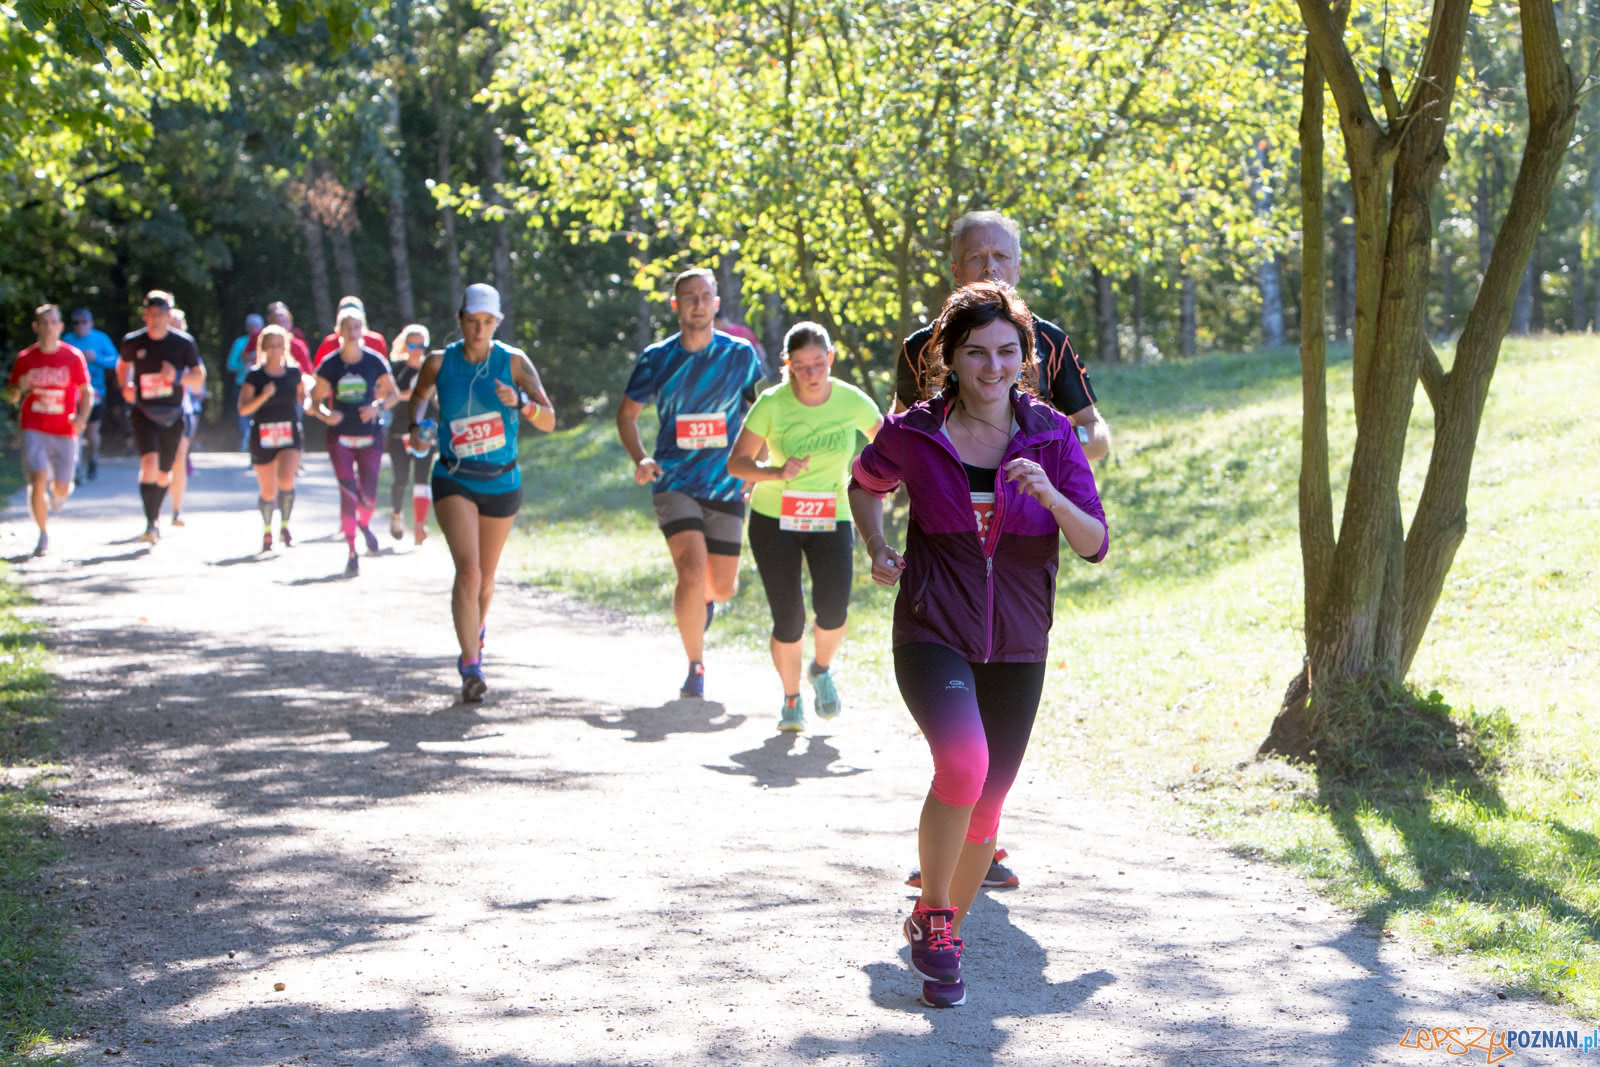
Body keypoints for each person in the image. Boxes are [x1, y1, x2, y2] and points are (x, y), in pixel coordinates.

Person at [849, 282, 1107, 1009]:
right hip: (933, 627)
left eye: (1007, 352)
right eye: (975, 353)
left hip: (1020, 642)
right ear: (949, 360)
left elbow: (1096, 542)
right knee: (962, 763)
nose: (993, 367)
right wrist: (876, 541)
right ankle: (936, 918)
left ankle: (941, 932)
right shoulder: (914, 431)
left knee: (988, 808)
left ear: (1026, 358)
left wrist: (1052, 497)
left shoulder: (1051, 434)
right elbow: (864, 485)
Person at [898, 209, 1113, 893]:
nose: (991, 268)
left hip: (1027, 550)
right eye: (977, 257)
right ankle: (954, 848)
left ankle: (977, 835)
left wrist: (1049, 461)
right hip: (948, 556)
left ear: (1019, 266)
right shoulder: (921, 346)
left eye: (1003, 257)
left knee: (1001, 705)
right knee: (957, 720)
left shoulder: (1046, 343)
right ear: (954, 268)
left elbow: (1095, 430)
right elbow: (899, 438)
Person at [615, 267, 765, 700]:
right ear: (675, 304)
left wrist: (762, 463)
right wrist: (641, 457)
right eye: (689, 296)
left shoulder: (740, 355)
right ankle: (695, 665)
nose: (698, 303)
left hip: (726, 482)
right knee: (690, 570)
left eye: (705, 296)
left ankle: (705, 604)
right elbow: (626, 415)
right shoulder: (657, 358)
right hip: (674, 480)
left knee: (721, 586)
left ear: (716, 304)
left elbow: (763, 413)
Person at [727, 322, 881, 731]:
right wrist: (777, 471)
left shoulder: (851, 401)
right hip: (774, 519)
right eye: (802, 366)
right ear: (788, 366)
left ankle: (821, 669)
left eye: (818, 363)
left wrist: (874, 478)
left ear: (830, 359)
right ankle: (791, 699)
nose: (812, 374)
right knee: (788, 618)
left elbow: (888, 444)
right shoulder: (772, 403)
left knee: (832, 610)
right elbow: (736, 463)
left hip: (832, 515)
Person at [406, 283, 555, 703]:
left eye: (488, 323)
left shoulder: (514, 363)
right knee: (468, 572)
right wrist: (417, 428)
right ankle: (470, 665)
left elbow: (549, 419)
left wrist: (522, 402)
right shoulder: (439, 363)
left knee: (486, 580)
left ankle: (475, 632)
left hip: (502, 481)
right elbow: (417, 401)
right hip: (455, 476)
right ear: (460, 321)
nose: (479, 331)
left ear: (497, 323)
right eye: (473, 322)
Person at [311, 305, 399, 576]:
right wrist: (327, 415)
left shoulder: (374, 361)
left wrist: (377, 407)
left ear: (363, 330)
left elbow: (393, 394)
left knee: (369, 497)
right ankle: (352, 551)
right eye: (347, 328)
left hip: (369, 436)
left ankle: (365, 524)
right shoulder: (331, 364)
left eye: (356, 327)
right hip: (340, 438)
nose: (352, 333)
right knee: (348, 494)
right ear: (339, 332)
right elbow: (314, 401)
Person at [117, 290, 205, 544]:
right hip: (143, 411)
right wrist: (126, 385)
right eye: (152, 315)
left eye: (161, 315)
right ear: (145, 316)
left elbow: (198, 379)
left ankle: (154, 518)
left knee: (165, 473)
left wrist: (176, 377)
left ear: (169, 316)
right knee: (149, 463)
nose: (156, 320)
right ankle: (151, 522)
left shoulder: (183, 343)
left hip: (173, 414)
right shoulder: (133, 342)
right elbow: (123, 365)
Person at [5, 305, 92, 556]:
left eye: (54, 322)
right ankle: (43, 534)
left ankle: (58, 495)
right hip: (33, 425)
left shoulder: (73, 356)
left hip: (65, 429)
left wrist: (82, 418)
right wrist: (18, 387)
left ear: (61, 327)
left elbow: (86, 391)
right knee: (38, 477)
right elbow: (11, 396)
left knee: (61, 488)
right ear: (36, 327)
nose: (49, 327)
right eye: (44, 322)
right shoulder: (25, 359)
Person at [237, 325, 307, 552]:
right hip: (263, 436)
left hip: (289, 434)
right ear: (264, 348)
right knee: (268, 491)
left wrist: (313, 403)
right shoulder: (255, 376)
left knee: (286, 480)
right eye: (271, 345)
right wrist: (263, 396)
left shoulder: (294, 373)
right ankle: (267, 531)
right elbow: (243, 409)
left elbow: (303, 399)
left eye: (279, 345)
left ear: (285, 347)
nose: (275, 350)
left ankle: (285, 526)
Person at [386, 324, 436, 544]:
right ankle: (396, 515)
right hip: (399, 431)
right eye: (412, 344)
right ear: (405, 345)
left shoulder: (433, 369)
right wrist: (413, 395)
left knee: (422, 479)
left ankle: (419, 525)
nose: (417, 349)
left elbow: (437, 398)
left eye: (421, 345)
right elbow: (389, 395)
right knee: (401, 478)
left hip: (425, 430)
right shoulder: (396, 369)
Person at [67, 308, 120, 482]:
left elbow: (116, 361)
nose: (80, 326)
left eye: (84, 322)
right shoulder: (67, 340)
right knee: (75, 431)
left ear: (91, 323)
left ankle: (93, 460)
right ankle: (75, 468)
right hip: (73, 394)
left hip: (96, 392)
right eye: (76, 322)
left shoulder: (101, 338)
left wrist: (96, 358)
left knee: (92, 433)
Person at [165, 307, 198, 526]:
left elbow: (198, 381)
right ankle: (154, 508)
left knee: (179, 456)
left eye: (178, 323)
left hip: (181, 409)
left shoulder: (187, 347)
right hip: (150, 411)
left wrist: (176, 376)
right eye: (171, 322)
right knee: (157, 463)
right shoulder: (147, 346)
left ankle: (177, 509)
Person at [226, 313, 266, 451]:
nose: (253, 328)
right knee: (243, 414)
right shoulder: (240, 343)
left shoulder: (267, 341)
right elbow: (231, 364)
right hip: (242, 383)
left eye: (256, 325)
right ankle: (246, 439)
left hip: (261, 385)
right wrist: (245, 367)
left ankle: (259, 441)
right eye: (251, 326)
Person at [313, 296, 387, 369]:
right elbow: (319, 372)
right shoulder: (329, 342)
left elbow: (382, 371)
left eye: (356, 325)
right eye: (347, 325)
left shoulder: (376, 340)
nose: (352, 332)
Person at [714, 307, 770, 375]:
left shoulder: (740, 331)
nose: (714, 327)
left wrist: (762, 358)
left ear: (718, 321)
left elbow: (756, 345)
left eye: (714, 324)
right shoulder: (740, 330)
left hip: (751, 363)